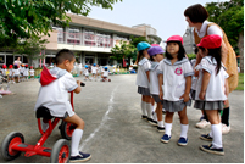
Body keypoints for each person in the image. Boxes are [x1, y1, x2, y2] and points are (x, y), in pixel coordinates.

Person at [184, 4, 238, 134]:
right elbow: (199, 50)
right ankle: (207, 118)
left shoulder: (212, 29)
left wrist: (222, 68)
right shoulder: (197, 30)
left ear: (194, 17)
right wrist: (197, 66)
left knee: (221, 91)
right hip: (207, 62)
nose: (186, 20)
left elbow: (223, 49)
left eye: (187, 17)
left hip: (220, 61)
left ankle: (225, 122)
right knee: (204, 90)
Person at [34, 49, 91, 162]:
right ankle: (74, 154)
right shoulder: (66, 76)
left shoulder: (47, 73)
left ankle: (45, 132)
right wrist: (78, 83)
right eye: (72, 63)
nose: (73, 66)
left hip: (40, 107)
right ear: (66, 63)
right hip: (58, 108)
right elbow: (77, 91)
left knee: (48, 113)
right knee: (80, 122)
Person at [195, 34, 228, 155]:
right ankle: (213, 136)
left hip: (210, 94)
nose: (199, 51)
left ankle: (217, 146)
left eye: (200, 48)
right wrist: (225, 94)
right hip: (218, 94)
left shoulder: (206, 61)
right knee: (217, 117)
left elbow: (207, 76)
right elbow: (225, 81)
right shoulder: (219, 62)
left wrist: (202, 91)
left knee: (212, 118)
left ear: (206, 50)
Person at [158, 35, 193, 146]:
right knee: (169, 113)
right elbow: (160, 77)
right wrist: (161, 91)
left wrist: (187, 93)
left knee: (182, 115)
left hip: (180, 94)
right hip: (168, 93)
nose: (171, 47)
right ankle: (167, 133)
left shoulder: (185, 62)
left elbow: (188, 78)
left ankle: (183, 136)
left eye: (174, 44)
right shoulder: (163, 63)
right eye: (169, 44)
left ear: (180, 46)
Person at [148, 45, 165, 132]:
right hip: (159, 90)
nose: (162, 56)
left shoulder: (151, 65)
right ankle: (160, 124)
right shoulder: (158, 66)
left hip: (153, 89)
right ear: (154, 57)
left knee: (158, 106)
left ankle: (155, 119)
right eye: (160, 54)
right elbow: (160, 79)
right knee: (160, 107)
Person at [136, 41, 151, 121]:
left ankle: (144, 113)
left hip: (141, 83)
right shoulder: (146, 62)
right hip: (147, 84)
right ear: (145, 51)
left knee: (143, 97)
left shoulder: (140, 61)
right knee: (148, 98)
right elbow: (148, 74)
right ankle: (149, 115)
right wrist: (152, 83)